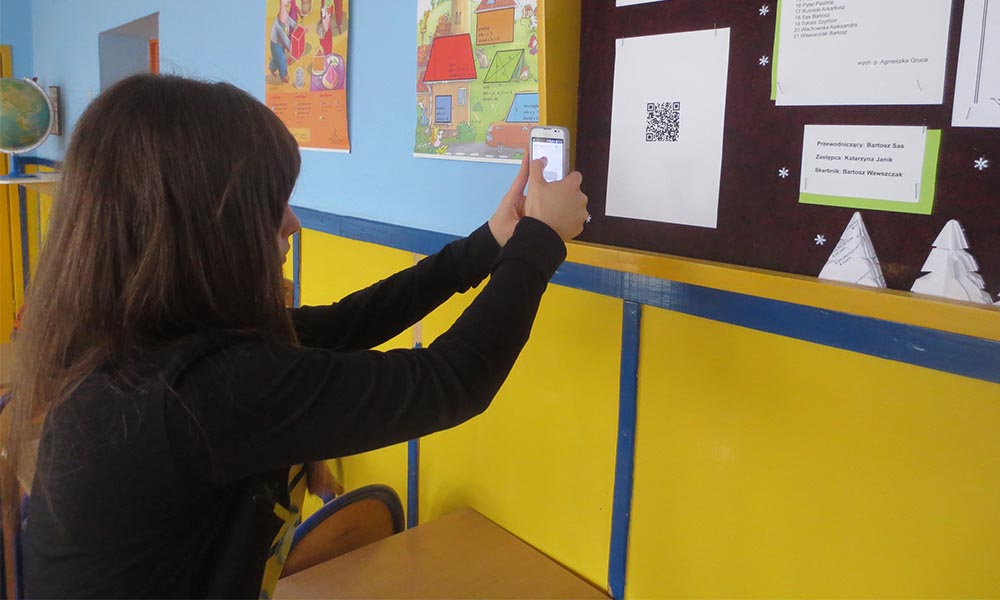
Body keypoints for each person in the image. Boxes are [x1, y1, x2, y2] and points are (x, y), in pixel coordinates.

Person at [1, 74, 587, 597]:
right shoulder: (196, 394)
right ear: (203, 230)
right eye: (270, 204)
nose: (293, 223)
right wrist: (540, 241)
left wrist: (491, 242)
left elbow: (349, 323)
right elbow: (452, 381)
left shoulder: (152, 341)